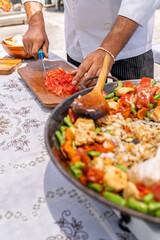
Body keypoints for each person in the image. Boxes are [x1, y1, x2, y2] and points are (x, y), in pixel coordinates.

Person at [22, 0, 160, 85]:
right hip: (79, 44)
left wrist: (107, 49)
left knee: (139, 115)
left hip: (130, 42)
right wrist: (35, 22)